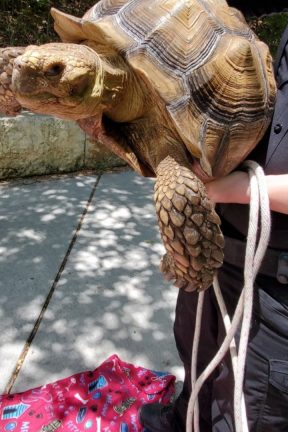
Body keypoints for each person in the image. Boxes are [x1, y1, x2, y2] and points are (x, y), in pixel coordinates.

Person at [139, 25, 288, 431]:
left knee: (246, 404)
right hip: (217, 253)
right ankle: (184, 416)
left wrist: (236, 188)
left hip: (276, 288)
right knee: (195, 354)